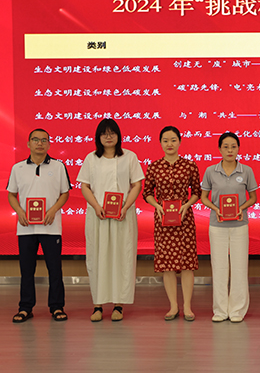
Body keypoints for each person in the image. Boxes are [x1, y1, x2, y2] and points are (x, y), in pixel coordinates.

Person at [77, 119, 144, 322]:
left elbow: (137, 185)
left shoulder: (129, 157)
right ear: (98, 137)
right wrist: (96, 206)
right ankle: (97, 305)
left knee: (122, 257)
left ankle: (118, 305)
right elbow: (84, 186)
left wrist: (125, 207)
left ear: (118, 136)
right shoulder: (91, 158)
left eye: (112, 133)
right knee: (97, 257)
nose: (108, 137)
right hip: (98, 216)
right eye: (104, 133)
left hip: (123, 215)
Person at [7, 128, 71, 323]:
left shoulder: (58, 166)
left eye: (44, 140)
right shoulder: (18, 168)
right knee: (26, 270)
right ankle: (25, 307)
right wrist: (20, 212)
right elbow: (11, 194)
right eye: (35, 139)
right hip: (26, 227)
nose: (40, 143)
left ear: (49, 144)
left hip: (51, 227)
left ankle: (57, 306)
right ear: (28, 144)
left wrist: (53, 210)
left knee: (55, 269)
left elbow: (65, 193)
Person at [143, 126, 201, 321]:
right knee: (167, 264)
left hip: (184, 219)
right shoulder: (154, 166)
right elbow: (147, 192)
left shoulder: (189, 165)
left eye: (173, 140)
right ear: (160, 143)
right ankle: (173, 307)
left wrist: (187, 205)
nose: (169, 144)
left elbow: (197, 192)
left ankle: (188, 307)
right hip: (163, 220)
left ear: (180, 142)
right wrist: (157, 206)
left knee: (187, 264)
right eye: (165, 140)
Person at [201, 132, 258, 323]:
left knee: (239, 267)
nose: (230, 150)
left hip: (240, 225)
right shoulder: (211, 171)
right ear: (219, 149)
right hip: (217, 225)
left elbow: (253, 197)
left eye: (233, 146)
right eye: (225, 147)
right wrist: (216, 209)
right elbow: (203, 197)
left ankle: (237, 310)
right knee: (219, 267)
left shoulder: (246, 171)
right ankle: (220, 310)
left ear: (238, 148)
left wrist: (241, 208)